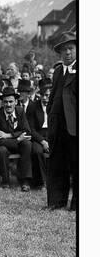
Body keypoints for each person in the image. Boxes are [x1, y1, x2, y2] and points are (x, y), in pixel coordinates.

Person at [46, 32, 77, 210]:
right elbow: (52, 98)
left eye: (71, 49)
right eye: (64, 50)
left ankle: (77, 205)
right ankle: (57, 201)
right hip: (57, 126)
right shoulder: (58, 71)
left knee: (77, 165)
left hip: (74, 127)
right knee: (57, 164)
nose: (67, 53)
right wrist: (51, 116)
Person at [0, 86, 33, 191]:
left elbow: (27, 131)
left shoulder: (20, 111)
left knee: (27, 144)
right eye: (5, 102)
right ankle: (5, 181)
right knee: (1, 150)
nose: (8, 105)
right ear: (2, 103)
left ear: (16, 101)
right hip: (5, 145)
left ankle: (25, 180)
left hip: (17, 143)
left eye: (11, 102)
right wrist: (17, 139)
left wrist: (8, 135)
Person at [28, 80, 52, 189]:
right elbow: (31, 129)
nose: (45, 98)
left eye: (48, 95)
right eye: (43, 95)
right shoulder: (33, 106)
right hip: (38, 135)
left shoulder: (56, 106)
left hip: (52, 134)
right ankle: (42, 182)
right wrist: (43, 141)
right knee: (37, 151)